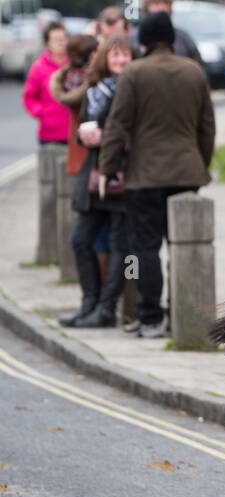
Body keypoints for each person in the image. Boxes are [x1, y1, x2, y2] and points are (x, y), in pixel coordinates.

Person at [99, 11, 215, 338]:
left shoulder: (134, 73)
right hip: (187, 173)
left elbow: (117, 125)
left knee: (145, 249)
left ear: (145, 41)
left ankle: (149, 317)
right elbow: (207, 128)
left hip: (144, 177)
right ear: (171, 38)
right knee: (183, 246)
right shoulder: (194, 72)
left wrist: (107, 169)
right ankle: (181, 317)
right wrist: (199, 165)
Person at [60, 36, 133, 327]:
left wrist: (110, 138)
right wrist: (84, 136)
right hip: (93, 178)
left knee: (119, 246)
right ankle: (88, 303)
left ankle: (105, 309)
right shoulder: (94, 92)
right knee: (80, 240)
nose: (120, 61)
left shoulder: (135, 88)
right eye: (115, 55)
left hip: (121, 175)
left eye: (125, 55)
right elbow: (81, 130)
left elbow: (140, 134)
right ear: (104, 58)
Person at [49, 34, 99, 178]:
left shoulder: (69, 75)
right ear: (91, 54)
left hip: (74, 129)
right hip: (87, 131)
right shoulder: (92, 78)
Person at [22, 22, 69, 147]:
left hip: (73, 132)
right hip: (49, 135)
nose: (61, 42)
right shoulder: (39, 67)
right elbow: (29, 97)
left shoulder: (75, 65)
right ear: (48, 43)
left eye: (63, 38)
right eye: (56, 39)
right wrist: (42, 113)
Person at [137, 0, 203, 64]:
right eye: (156, 4)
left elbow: (198, 64)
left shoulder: (183, 37)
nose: (161, 8)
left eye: (165, 3)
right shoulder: (136, 37)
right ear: (146, 8)